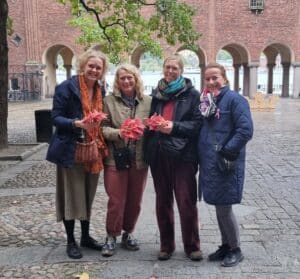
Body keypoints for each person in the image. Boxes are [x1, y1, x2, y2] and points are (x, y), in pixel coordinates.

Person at [46, 49, 109, 259]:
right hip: (70, 149)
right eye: (91, 66)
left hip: (93, 149)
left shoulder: (101, 90)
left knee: (87, 194)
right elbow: (55, 117)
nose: (94, 70)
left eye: (98, 67)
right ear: (83, 65)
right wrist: (76, 123)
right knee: (71, 195)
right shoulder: (66, 87)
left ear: (102, 71)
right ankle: (71, 241)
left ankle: (85, 237)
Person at [144, 54, 203, 261]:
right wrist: (151, 124)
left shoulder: (193, 95)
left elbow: (197, 125)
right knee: (163, 202)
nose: (170, 71)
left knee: (186, 201)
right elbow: (153, 121)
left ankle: (192, 246)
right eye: (167, 67)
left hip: (183, 155)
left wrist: (173, 127)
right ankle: (166, 245)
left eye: (174, 68)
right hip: (160, 154)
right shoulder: (157, 94)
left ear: (181, 71)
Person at [198, 63, 253, 267]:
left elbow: (245, 131)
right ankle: (225, 245)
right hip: (210, 163)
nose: (211, 82)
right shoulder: (208, 101)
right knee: (219, 206)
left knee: (224, 208)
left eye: (215, 78)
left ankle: (235, 249)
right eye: (208, 79)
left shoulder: (235, 100)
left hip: (225, 163)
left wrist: (226, 151)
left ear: (225, 78)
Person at [101, 64, 151, 257]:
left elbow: (153, 125)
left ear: (136, 79)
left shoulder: (148, 101)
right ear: (117, 81)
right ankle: (111, 235)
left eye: (130, 78)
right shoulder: (108, 101)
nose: (127, 81)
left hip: (139, 159)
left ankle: (128, 233)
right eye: (122, 78)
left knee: (135, 200)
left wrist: (149, 126)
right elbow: (102, 128)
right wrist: (119, 133)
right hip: (116, 158)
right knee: (116, 200)